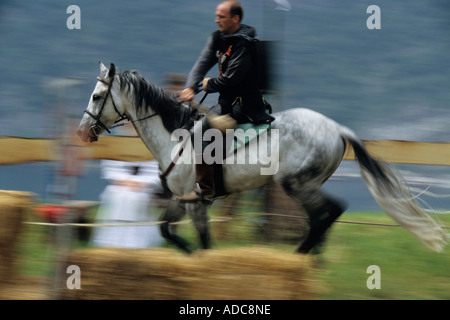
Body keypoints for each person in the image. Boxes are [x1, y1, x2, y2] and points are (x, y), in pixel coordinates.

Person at [178, 0, 274, 203]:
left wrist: (207, 84)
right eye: (217, 16)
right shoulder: (217, 38)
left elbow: (231, 79)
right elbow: (203, 62)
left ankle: (206, 190)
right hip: (227, 101)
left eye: (221, 17)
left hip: (244, 105)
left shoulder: (244, 44)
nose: (217, 20)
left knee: (201, 131)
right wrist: (190, 86)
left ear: (235, 18)